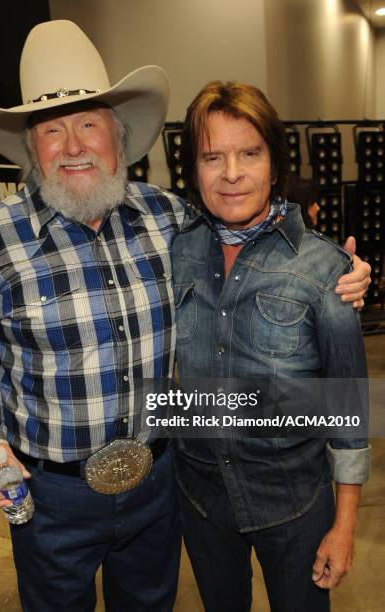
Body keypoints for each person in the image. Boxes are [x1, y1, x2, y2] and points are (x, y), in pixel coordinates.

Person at [0, 20, 370, 612]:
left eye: (89, 124)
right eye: (53, 130)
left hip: (162, 488)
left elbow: (253, 235)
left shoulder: (168, 221)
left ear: (118, 134)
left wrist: (336, 271)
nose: (75, 145)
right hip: (50, 497)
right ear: (31, 148)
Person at [172, 81, 370, 612]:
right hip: (200, 499)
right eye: (212, 156)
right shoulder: (174, 251)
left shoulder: (325, 268)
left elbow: (347, 412)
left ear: (275, 165)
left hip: (296, 506)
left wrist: (344, 526)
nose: (231, 173)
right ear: (193, 169)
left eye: (249, 154)